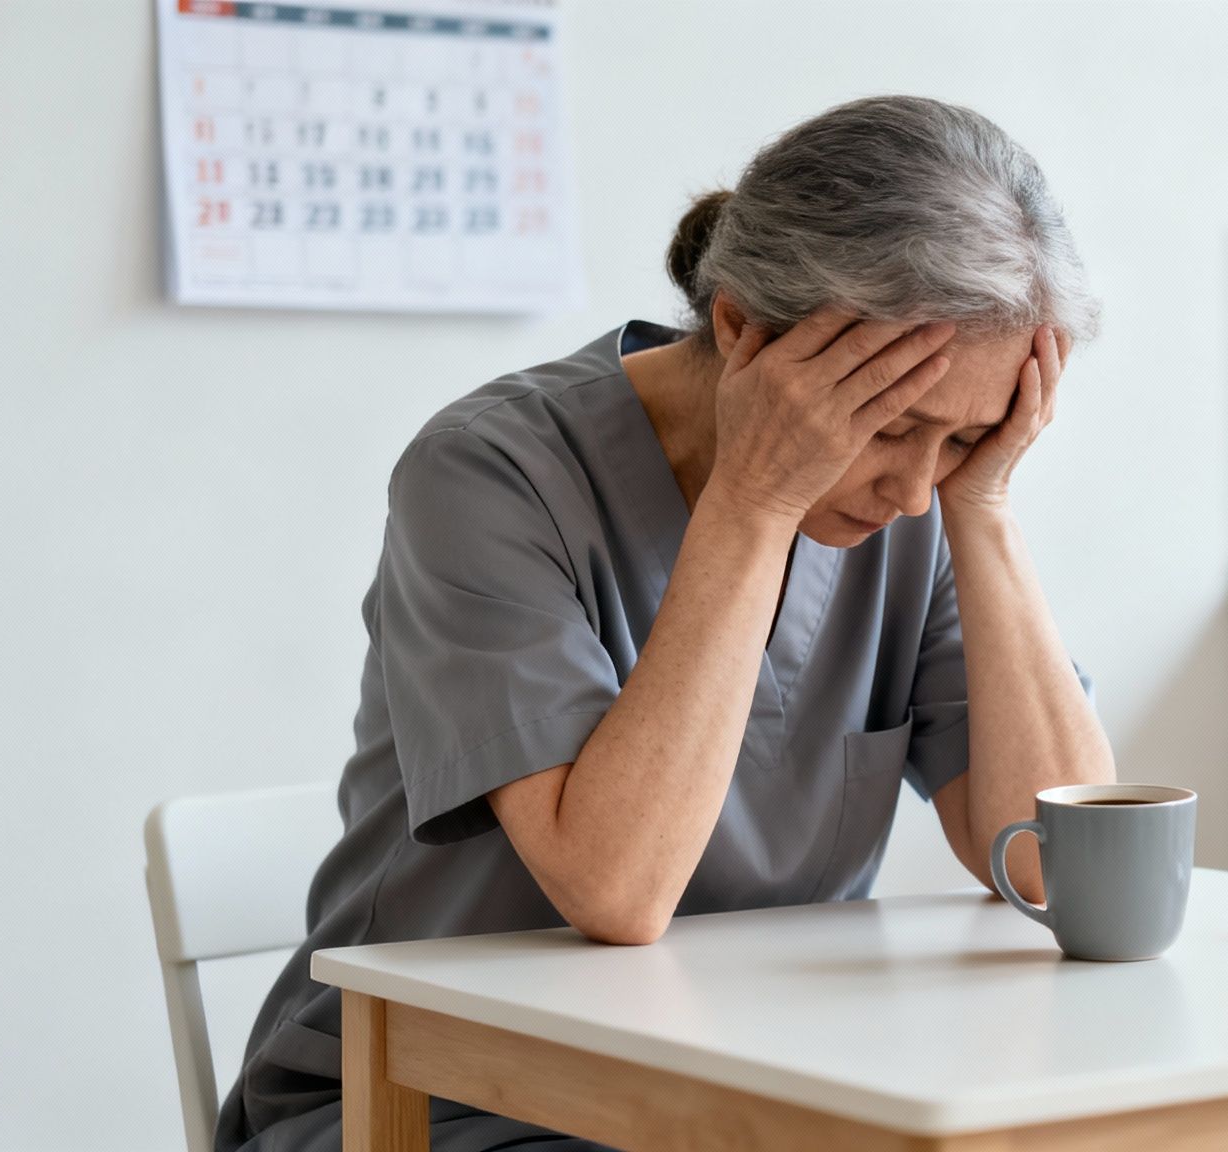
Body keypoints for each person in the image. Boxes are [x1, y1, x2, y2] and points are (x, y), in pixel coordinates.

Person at [213, 94, 1115, 1152]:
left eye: (966, 437)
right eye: (891, 425)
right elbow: (617, 891)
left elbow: (1064, 866)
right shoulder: (489, 475)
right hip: (440, 1096)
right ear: (738, 329)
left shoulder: (924, 508)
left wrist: (987, 506)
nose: (914, 489)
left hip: (755, 1092)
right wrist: (755, 502)